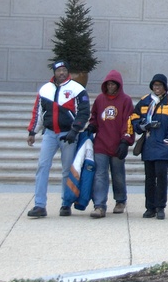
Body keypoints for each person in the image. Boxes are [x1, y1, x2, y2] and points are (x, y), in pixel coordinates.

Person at [26, 60, 90, 218]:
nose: (61, 73)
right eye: (58, 70)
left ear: (68, 71)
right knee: (42, 167)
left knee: (67, 170)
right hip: (49, 133)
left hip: (68, 134)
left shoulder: (77, 89)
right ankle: (39, 205)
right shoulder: (45, 89)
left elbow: (84, 111)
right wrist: (33, 131)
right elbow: (38, 112)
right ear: (54, 72)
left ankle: (66, 203)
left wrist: (75, 130)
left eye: (64, 70)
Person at [133, 74, 168, 219]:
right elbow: (134, 118)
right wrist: (141, 126)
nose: (157, 88)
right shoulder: (144, 101)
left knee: (161, 176)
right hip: (149, 145)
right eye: (155, 85)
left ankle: (160, 207)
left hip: (164, 145)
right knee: (149, 178)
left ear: (164, 87)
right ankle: (150, 207)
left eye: (160, 85)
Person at [87, 69, 134, 218]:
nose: (111, 87)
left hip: (117, 143)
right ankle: (99, 205)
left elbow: (129, 121)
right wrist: (92, 125)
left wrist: (125, 141)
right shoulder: (100, 100)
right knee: (100, 175)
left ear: (118, 85)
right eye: (109, 84)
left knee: (118, 174)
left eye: (114, 84)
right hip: (101, 144)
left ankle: (120, 200)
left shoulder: (126, 101)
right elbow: (94, 116)